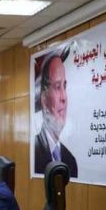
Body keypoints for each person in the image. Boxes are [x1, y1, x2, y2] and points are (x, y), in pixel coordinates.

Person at [34, 48, 78, 177]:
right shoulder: (34, 153)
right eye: (57, 87)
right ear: (44, 99)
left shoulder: (70, 161)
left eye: (64, 86)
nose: (64, 98)